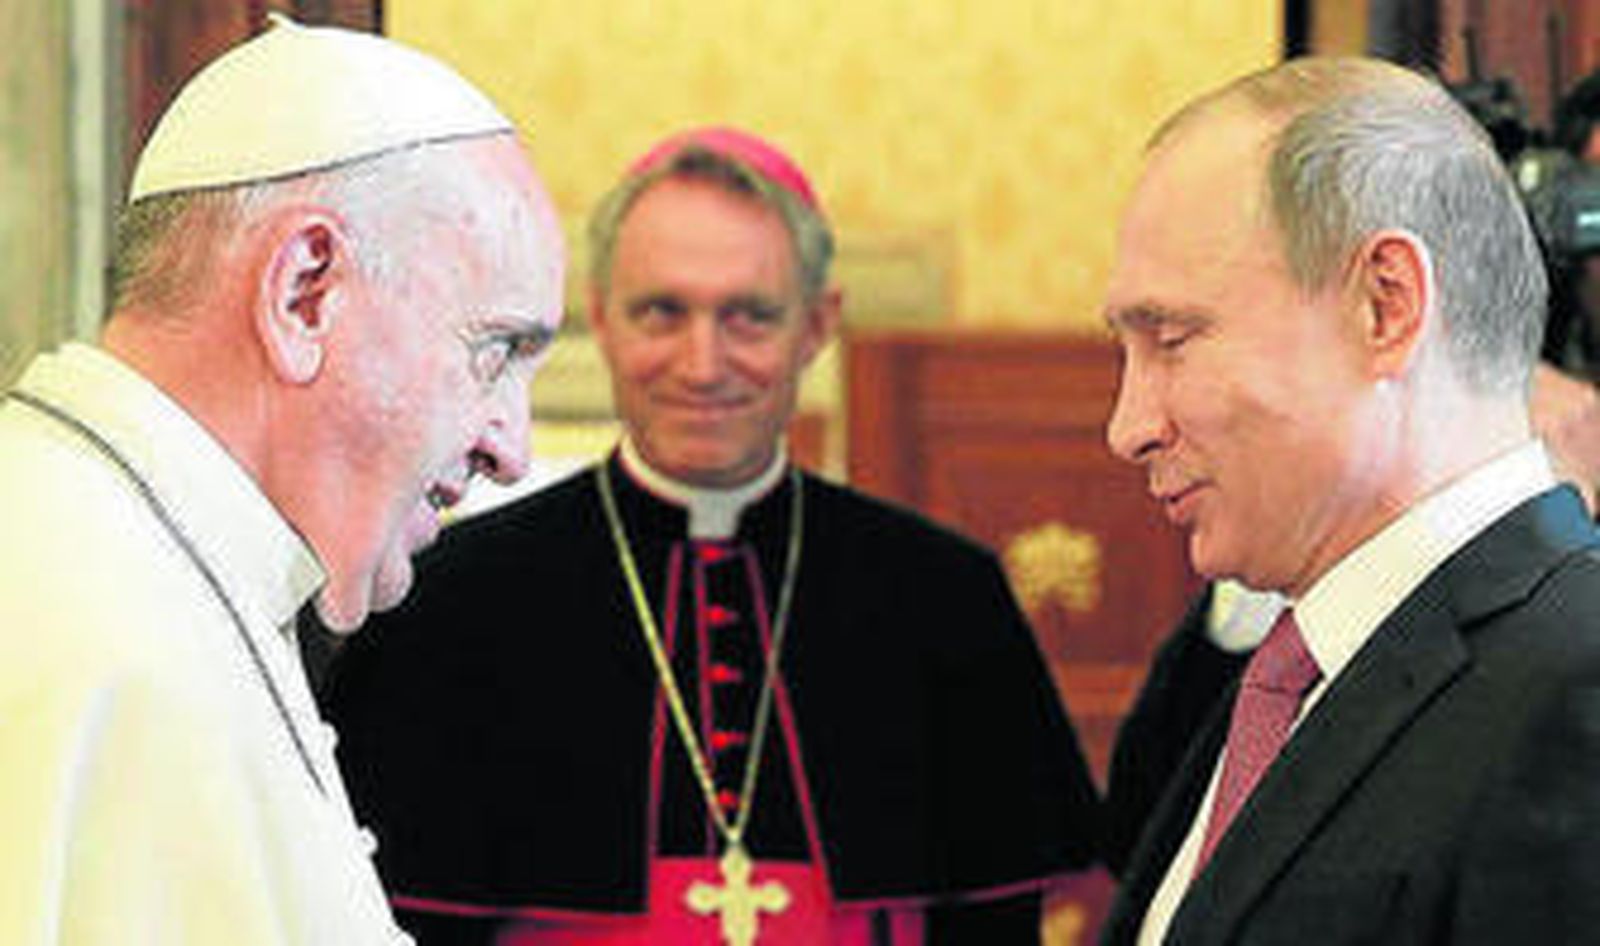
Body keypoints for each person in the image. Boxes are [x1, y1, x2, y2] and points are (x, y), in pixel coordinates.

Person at [320, 126, 1101, 945]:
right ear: (601, 320)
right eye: (662, 312)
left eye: (750, 317)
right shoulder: (449, 601)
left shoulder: (944, 600)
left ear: (816, 325)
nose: (703, 364)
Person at [0, 17, 565, 945]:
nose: (511, 446)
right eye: (494, 351)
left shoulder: (133, 563)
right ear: (306, 290)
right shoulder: (113, 642)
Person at [1099, 56, 1600, 945]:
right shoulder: (1298, 668)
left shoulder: (1576, 689)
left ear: (1385, 305)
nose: (1127, 426)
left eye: (1173, 340)